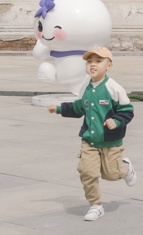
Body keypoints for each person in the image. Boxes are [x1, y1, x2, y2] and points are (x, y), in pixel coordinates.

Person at [50, 45, 137, 220]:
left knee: (111, 174)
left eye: (98, 61)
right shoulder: (86, 88)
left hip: (110, 141)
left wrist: (117, 120)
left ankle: (126, 169)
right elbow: (78, 108)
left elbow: (127, 110)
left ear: (109, 66)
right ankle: (95, 205)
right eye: (89, 61)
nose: (93, 65)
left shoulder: (114, 88)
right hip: (89, 141)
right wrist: (59, 109)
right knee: (87, 172)